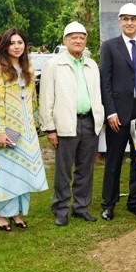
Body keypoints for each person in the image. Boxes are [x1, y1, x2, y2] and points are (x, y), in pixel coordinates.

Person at [40, 22, 105, 226]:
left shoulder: (91, 64)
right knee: (63, 169)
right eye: (73, 37)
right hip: (66, 123)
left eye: (81, 37)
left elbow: (97, 94)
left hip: (89, 122)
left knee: (85, 168)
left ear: (85, 41)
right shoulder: (54, 65)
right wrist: (50, 128)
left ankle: (81, 207)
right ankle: (60, 209)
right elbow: (46, 98)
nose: (78, 41)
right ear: (65, 40)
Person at [99, 3, 136, 221]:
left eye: (133, 19)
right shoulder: (110, 46)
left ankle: (134, 202)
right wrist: (110, 112)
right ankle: (109, 204)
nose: (129, 23)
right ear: (119, 22)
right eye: (125, 19)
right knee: (114, 159)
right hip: (118, 113)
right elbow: (105, 81)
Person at [0, 28, 48, 231]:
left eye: (20, 42)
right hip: (8, 128)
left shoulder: (28, 69)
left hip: (28, 128)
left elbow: (33, 100)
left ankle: (16, 213)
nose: (16, 46)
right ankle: (2, 214)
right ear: (5, 46)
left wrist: (36, 125)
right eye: (12, 43)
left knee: (24, 170)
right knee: (7, 171)